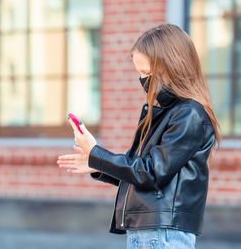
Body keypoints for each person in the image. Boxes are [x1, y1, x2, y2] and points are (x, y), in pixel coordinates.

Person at [57, 23, 221, 249]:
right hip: (151, 229)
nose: (143, 81)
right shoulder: (171, 112)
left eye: (147, 73)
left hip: (162, 232)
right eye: (140, 73)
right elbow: (144, 172)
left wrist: (97, 153)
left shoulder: (189, 114)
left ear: (172, 67)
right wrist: (98, 165)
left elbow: (151, 173)